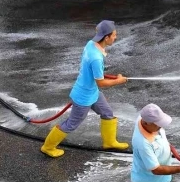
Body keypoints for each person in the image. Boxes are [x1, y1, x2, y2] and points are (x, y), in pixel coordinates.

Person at [41, 20, 130, 158]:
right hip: (84, 96)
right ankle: (48, 147)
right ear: (106, 37)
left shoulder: (91, 44)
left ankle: (109, 142)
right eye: (114, 35)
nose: (115, 37)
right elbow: (100, 82)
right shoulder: (96, 58)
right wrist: (118, 81)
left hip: (92, 91)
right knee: (72, 124)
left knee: (107, 113)